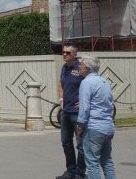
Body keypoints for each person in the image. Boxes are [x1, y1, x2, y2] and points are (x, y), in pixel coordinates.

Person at [76, 56, 116, 179]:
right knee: (107, 161)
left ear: (87, 68)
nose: (79, 66)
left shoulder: (86, 82)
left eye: (81, 65)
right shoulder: (104, 82)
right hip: (107, 125)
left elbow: (85, 108)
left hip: (94, 127)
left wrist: (80, 126)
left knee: (92, 163)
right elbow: (108, 103)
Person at [57, 44, 86, 179]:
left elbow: (89, 84)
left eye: (67, 53)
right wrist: (61, 98)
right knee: (66, 142)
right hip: (66, 112)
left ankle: (80, 173)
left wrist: (85, 102)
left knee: (80, 144)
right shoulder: (64, 67)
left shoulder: (81, 67)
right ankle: (70, 171)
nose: (64, 55)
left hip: (77, 113)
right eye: (63, 52)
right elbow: (60, 83)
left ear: (75, 54)